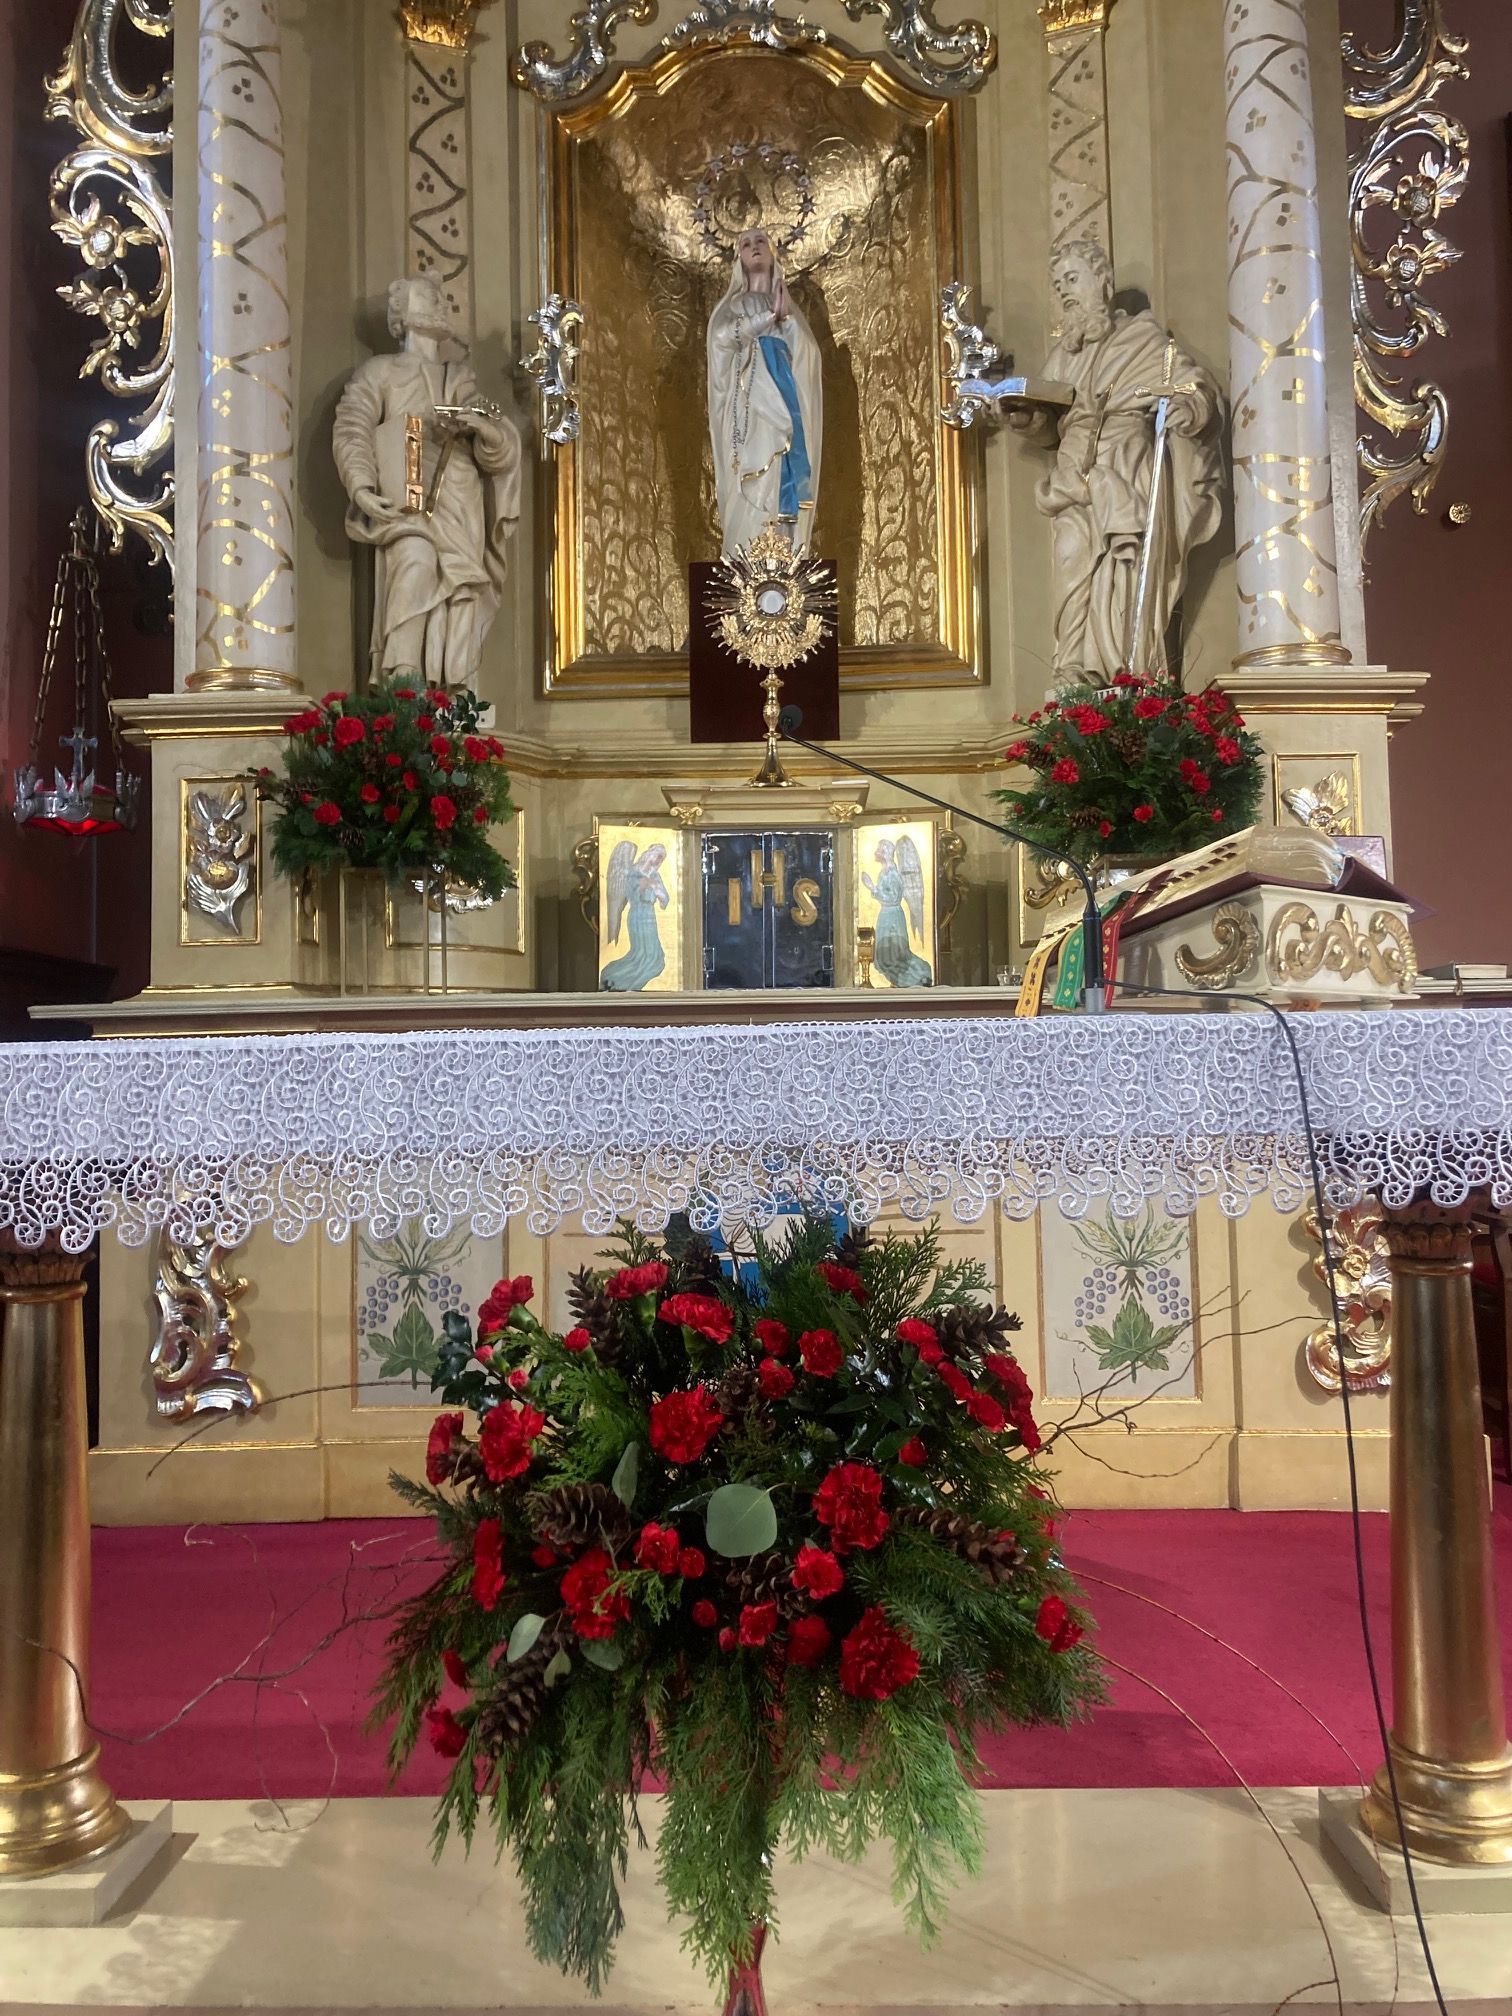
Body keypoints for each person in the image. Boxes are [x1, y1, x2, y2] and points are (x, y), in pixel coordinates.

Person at [1013, 239, 1221, 679]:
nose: (1065, 292)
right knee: (1070, 558)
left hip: (1125, 465)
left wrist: (1187, 409)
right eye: (1058, 285)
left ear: (1103, 283)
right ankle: (1072, 669)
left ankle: (1122, 670)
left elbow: (1192, 386)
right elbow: (1050, 425)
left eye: (1072, 279)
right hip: (1072, 474)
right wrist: (1029, 420)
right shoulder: (1062, 358)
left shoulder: (1144, 340)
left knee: (1123, 564)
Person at [332, 276, 522, 688]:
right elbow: (352, 425)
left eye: (441, 297)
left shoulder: (460, 378)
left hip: (459, 495)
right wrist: (361, 484)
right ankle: (405, 685)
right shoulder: (380, 372)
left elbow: (499, 445)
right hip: (407, 491)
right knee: (415, 562)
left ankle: (455, 691)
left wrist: (485, 431)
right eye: (428, 296)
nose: (440, 302)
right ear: (401, 314)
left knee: (462, 587)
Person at [706, 227, 823, 558]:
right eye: (746, 244)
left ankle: (783, 555)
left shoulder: (790, 312)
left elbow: (808, 359)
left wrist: (786, 320)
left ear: (773, 254)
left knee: (780, 473)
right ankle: (745, 555)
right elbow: (720, 342)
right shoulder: (732, 307)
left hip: (783, 405)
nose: (754, 247)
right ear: (739, 259)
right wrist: (768, 317)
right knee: (750, 472)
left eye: (760, 242)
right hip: (746, 413)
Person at [862, 837, 933, 988]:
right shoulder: (885, 871)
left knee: (893, 955)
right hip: (886, 916)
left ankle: (919, 976)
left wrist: (872, 887)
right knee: (884, 956)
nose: (875, 852)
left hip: (892, 917)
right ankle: (901, 983)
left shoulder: (892, 873)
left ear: (885, 853)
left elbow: (893, 898)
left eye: (878, 850)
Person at [601, 842, 671, 992]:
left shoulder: (655, 876)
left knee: (655, 956)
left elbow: (665, 900)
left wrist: (656, 888)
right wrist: (643, 886)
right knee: (640, 954)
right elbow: (631, 894)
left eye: (661, 859)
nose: (658, 861)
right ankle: (614, 978)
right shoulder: (632, 872)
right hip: (637, 915)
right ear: (650, 854)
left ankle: (622, 982)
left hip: (650, 915)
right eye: (658, 857)